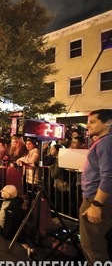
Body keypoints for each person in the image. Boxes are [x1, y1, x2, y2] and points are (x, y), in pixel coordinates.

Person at [80, 109, 112, 265]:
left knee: (93, 247)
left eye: (93, 122)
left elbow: (109, 175)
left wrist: (97, 204)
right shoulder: (102, 142)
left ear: (108, 123)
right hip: (95, 199)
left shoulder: (106, 142)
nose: (88, 126)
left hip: (95, 200)